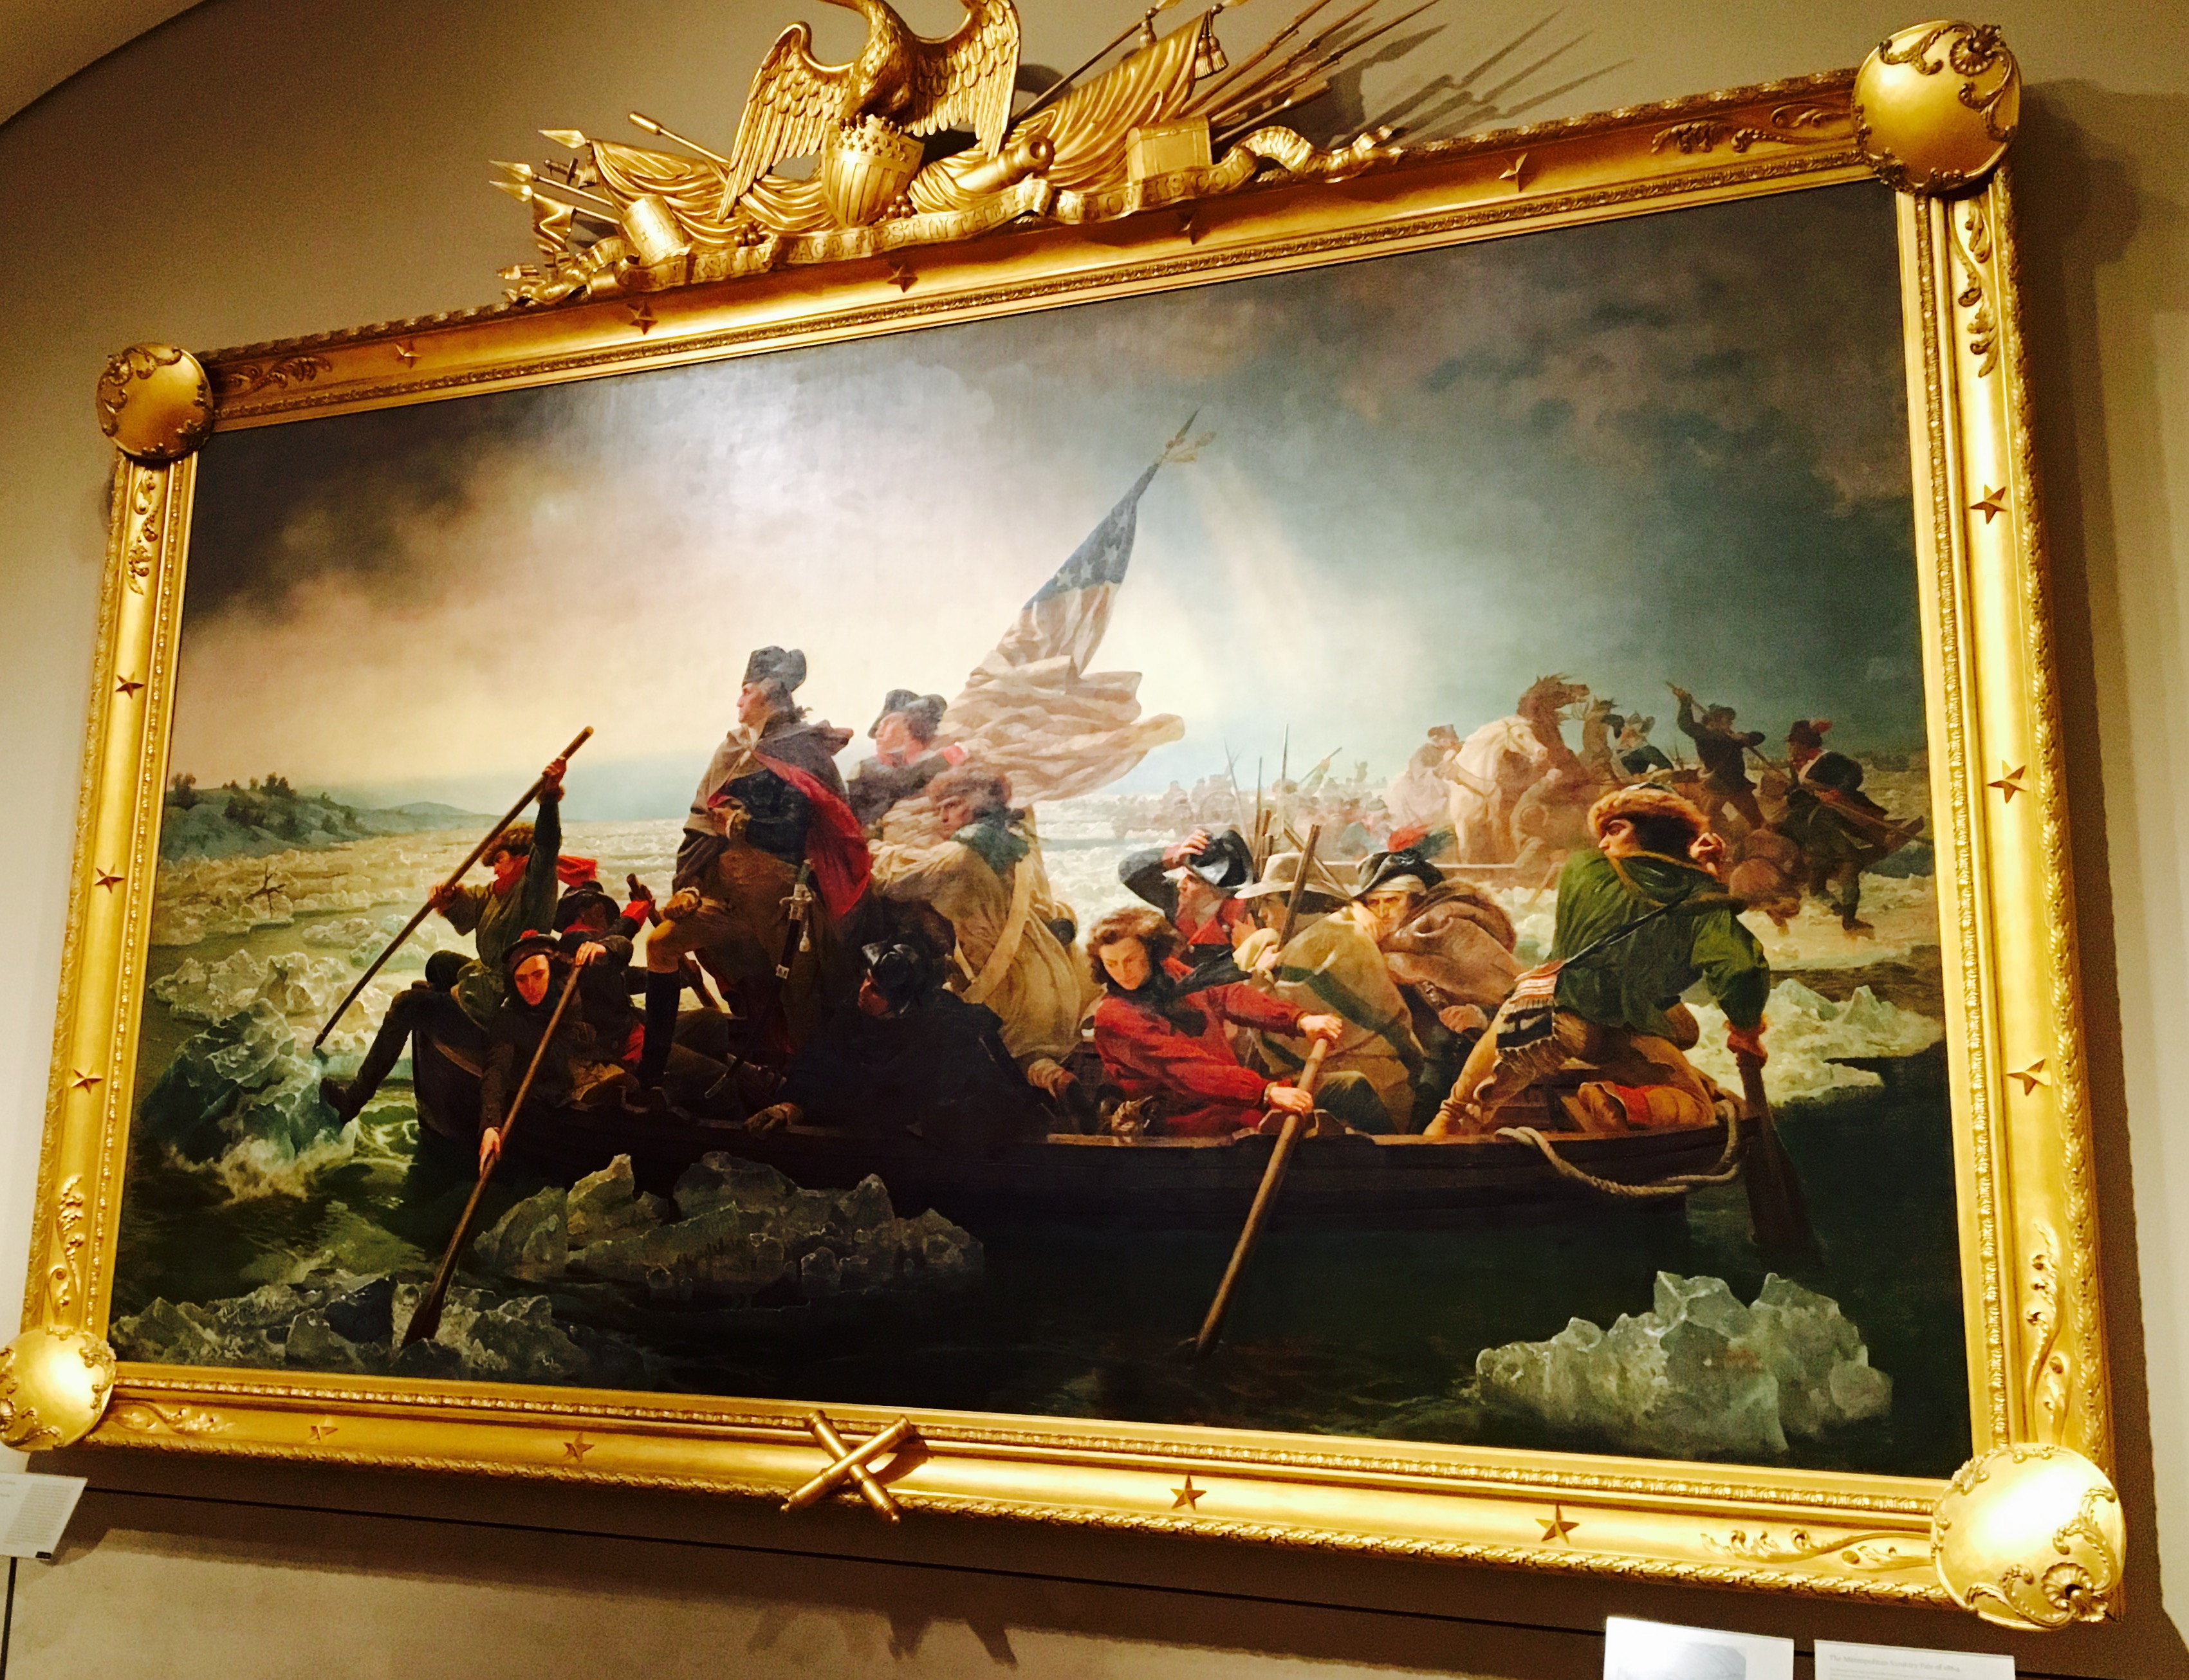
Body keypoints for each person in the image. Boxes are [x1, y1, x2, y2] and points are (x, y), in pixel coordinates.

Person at [1431, 786, 1768, 1138]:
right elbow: (1740, 968)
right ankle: (1620, 1101)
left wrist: (1692, 871)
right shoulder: (1700, 897)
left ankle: (1608, 1102)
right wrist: (1746, 1030)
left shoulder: (1584, 869)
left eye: (1615, 830)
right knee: (1698, 1108)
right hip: (1627, 1028)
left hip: (1555, 1016)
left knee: (1460, 1107)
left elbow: (1649, 884)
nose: (1604, 844)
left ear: (1654, 831)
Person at [642, 647, 869, 1080]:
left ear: (767, 690)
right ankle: (651, 1072)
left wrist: (739, 826)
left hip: (784, 903)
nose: (738, 701)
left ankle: (805, 1095)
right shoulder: (733, 748)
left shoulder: (802, 749)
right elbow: (701, 822)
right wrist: (687, 884)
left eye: (745, 691)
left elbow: (793, 830)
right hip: (727, 898)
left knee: (800, 1000)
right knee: (660, 945)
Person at [319, 749, 570, 1125]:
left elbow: (547, 847)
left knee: (405, 1005)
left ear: (522, 859)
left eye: (499, 861)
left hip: (505, 999)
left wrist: (548, 800)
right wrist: (449, 898)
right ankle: (440, 1014)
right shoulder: (497, 892)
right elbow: (471, 907)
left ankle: (353, 1100)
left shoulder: (534, 888)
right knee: (439, 963)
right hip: (487, 980)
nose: (494, 870)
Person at [869, 764, 1096, 1125]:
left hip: (1006, 981)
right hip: (1051, 974)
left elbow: (899, 877)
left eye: (952, 805)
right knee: (1025, 1053)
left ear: (978, 803)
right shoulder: (1019, 845)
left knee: (979, 1048)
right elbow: (1052, 906)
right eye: (940, 809)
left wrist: (869, 847)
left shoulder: (961, 856)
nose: (943, 817)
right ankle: (1055, 1080)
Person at [1085, 906, 1384, 1137]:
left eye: (1130, 959)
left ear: (1151, 953)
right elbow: (1186, 1070)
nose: (1122, 972)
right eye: (1111, 964)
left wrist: (1299, 1020)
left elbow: (1227, 996)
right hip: (1185, 1124)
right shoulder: (1115, 1017)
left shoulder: (1170, 973)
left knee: (1350, 1087)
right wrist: (1264, 1092)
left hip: (1230, 1101)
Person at [746, 941, 1051, 1150]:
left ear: (902, 1005)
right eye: (866, 980)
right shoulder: (853, 1013)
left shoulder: (948, 1029)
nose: (864, 990)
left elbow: (992, 1104)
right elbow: (822, 1062)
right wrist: (790, 1108)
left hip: (931, 1156)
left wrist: (924, 1121)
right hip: (858, 1142)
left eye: (876, 990)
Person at [1233, 852, 1423, 1132]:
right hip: (1358, 1071)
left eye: (1270, 902)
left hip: (1372, 1078)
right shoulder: (1318, 935)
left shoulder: (1328, 940)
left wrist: (1259, 978)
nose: (1262, 914)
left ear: (1296, 901)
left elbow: (1281, 1029)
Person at [1342, 848, 1522, 1127]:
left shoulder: (1450, 927)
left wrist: (1479, 1015)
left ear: (1415, 899)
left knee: (1425, 1116)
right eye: (1374, 903)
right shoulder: (1379, 942)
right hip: (1403, 1053)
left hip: (1458, 1054)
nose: (1383, 911)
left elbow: (1516, 998)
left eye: (1392, 900)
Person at [477, 933, 634, 1172]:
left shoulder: (572, 981)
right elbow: (496, 1069)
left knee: (631, 1087)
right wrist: (490, 1125)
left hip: (599, 1064)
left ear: (551, 970)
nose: (531, 987)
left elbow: (624, 949)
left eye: (538, 975)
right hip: (564, 1087)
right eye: (521, 980)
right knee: (616, 1095)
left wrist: (604, 949)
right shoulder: (510, 1019)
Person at [1780, 718, 1919, 934]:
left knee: (1853, 841)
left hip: (1841, 806)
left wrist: (1836, 793)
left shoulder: (1830, 759)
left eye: (1794, 744)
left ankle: (1850, 910)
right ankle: (1842, 911)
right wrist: (1789, 791)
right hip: (1814, 816)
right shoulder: (1796, 764)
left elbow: (1854, 775)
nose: (1790, 748)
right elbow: (1796, 787)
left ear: (1806, 744)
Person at [1117, 826, 1256, 971]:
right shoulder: (1179, 900)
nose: (1180, 885)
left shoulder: (1240, 921)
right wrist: (1175, 856)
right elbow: (1128, 871)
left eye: (1193, 879)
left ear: (1217, 891)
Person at [845, 689, 966, 834]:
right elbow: (901, 780)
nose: (879, 732)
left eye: (889, 723)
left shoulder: (923, 762)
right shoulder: (866, 767)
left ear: (912, 727)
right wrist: (947, 757)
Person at [1670, 685, 1768, 833]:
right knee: (1706, 823)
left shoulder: (1731, 738)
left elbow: (1760, 737)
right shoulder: (1706, 735)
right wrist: (1685, 703)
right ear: (1715, 721)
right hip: (1717, 785)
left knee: (1757, 822)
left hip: (1737, 785)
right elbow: (1686, 724)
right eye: (1727, 720)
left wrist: (1745, 737)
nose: (1731, 724)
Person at [1607, 714, 1674, 777]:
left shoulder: (1647, 750)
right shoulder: (1614, 747)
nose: (1625, 731)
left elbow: (1668, 768)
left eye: (1632, 733)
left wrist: (1651, 776)